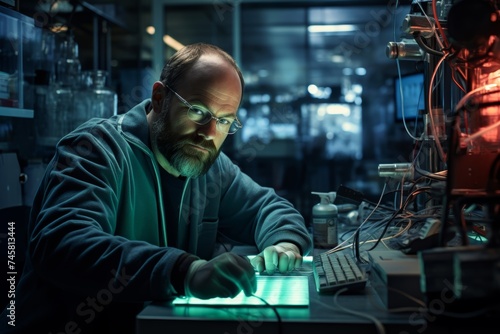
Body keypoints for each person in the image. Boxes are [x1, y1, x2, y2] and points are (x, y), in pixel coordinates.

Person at [1, 42, 312, 334]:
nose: (209, 133)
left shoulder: (210, 167)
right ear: (160, 98)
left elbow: (268, 208)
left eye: (224, 121)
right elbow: (62, 243)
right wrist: (184, 272)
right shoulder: (95, 150)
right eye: (198, 111)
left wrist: (285, 243)